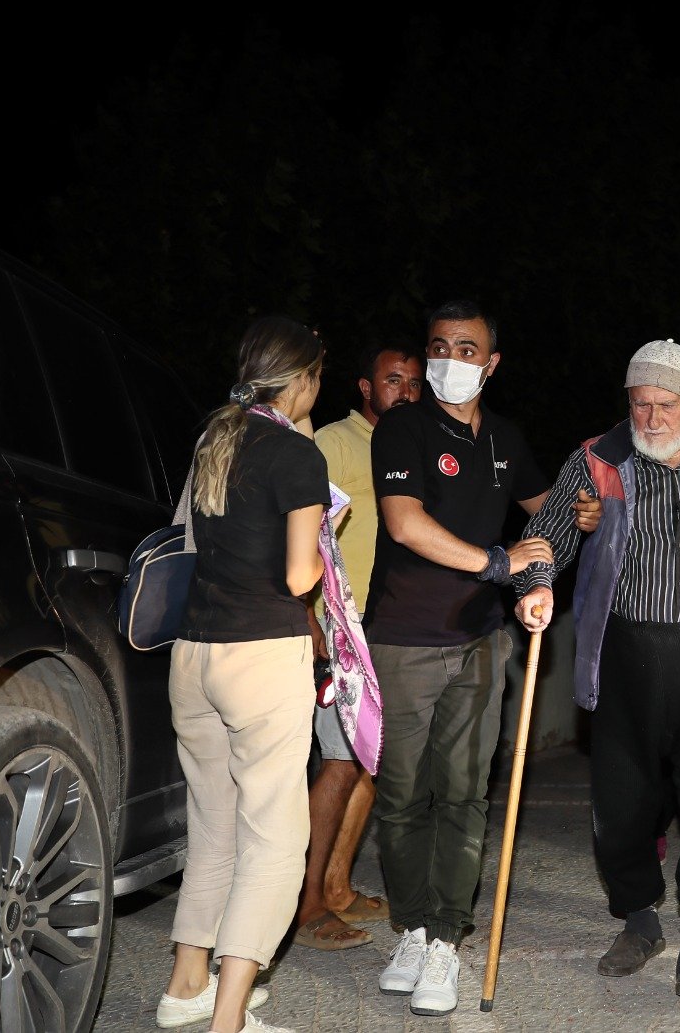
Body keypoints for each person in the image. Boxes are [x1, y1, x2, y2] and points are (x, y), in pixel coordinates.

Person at [512, 339, 680, 1004]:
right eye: (639, 403)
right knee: (623, 800)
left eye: (664, 404)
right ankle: (640, 919)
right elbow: (549, 534)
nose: (650, 418)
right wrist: (536, 581)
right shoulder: (598, 460)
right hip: (630, 659)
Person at [365, 300, 553, 1018]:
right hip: (406, 638)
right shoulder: (405, 427)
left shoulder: (504, 436)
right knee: (403, 796)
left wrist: (566, 532)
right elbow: (405, 523)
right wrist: (501, 561)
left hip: (480, 642)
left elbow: (550, 507)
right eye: (440, 345)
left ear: (492, 362)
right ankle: (410, 928)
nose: (451, 358)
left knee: (466, 794)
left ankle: (446, 937)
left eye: (468, 348)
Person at [156, 315, 329, 1033]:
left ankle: (186, 984)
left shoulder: (212, 440)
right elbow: (298, 576)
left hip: (194, 656)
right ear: (301, 380)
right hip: (261, 657)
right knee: (275, 840)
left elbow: (190, 541)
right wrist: (328, 554)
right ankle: (228, 1019)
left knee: (214, 827)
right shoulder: (296, 453)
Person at [291, 342, 423, 951]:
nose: (407, 391)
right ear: (366, 388)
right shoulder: (334, 446)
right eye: (393, 381)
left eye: (415, 382)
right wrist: (310, 619)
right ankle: (307, 901)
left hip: (391, 624)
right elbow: (298, 534)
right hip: (339, 626)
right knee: (340, 763)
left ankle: (338, 886)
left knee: (370, 760)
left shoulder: (412, 446)